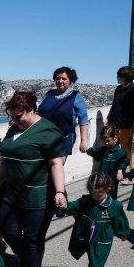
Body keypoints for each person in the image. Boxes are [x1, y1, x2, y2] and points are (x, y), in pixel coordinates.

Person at [0, 92, 67, 267]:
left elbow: (56, 162)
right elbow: (5, 160)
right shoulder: (14, 129)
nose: (14, 121)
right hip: (11, 192)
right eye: (12, 117)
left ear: (32, 110)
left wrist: (59, 191)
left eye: (18, 116)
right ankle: (28, 261)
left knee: (33, 237)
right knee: (8, 230)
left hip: (38, 195)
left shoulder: (48, 131)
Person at [64, 173, 130, 267]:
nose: (95, 198)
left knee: (95, 266)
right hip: (87, 238)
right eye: (93, 194)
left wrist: (123, 233)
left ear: (108, 189)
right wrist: (63, 205)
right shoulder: (85, 201)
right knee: (95, 262)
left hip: (102, 241)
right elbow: (72, 207)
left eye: (99, 195)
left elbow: (121, 221)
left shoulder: (114, 206)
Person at [37, 66, 89, 217]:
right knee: (47, 171)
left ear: (71, 80)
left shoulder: (76, 97)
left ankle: (60, 205)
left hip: (63, 139)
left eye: (64, 78)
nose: (60, 81)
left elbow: (83, 120)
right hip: (44, 138)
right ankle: (58, 201)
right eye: (58, 78)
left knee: (55, 168)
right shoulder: (49, 94)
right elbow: (39, 114)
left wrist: (83, 141)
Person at [106, 66, 134, 161]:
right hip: (114, 124)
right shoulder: (118, 89)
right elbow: (114, 104)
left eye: (118, 76)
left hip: (126, 126)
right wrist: (109, 116)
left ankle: (122, 169)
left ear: (123, 77)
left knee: (125, 149)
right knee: (113, 147)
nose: (116, 78)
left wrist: (133, 124)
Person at [86, 126, 128, 199]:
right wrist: (89, 150)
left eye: (108, 141)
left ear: (115, 138)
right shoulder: (103, 150)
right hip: (101, 179)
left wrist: (120, 171)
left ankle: (111, 209)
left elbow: (123, 162)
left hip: (112, 181)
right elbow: (97, 156)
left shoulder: (120, 151)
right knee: (99, 196)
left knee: (111, 197)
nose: (106, 143)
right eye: (104, 141)